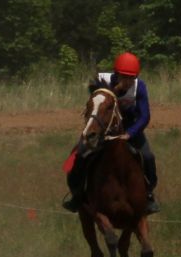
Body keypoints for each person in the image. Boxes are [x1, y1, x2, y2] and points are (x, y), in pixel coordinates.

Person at [62, 51, 158, 214]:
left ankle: (148, 194)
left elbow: (145, 116)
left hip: (130, 128)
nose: (127, 82)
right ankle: (77, 195)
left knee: (148, 157)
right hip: (103, 127)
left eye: (131, 78)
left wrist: (130, 134)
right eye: (124, 77)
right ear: (116, 74)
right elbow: (96, 105)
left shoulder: (139, 87)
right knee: (79, 155)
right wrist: (115, 90)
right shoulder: (103, 82)